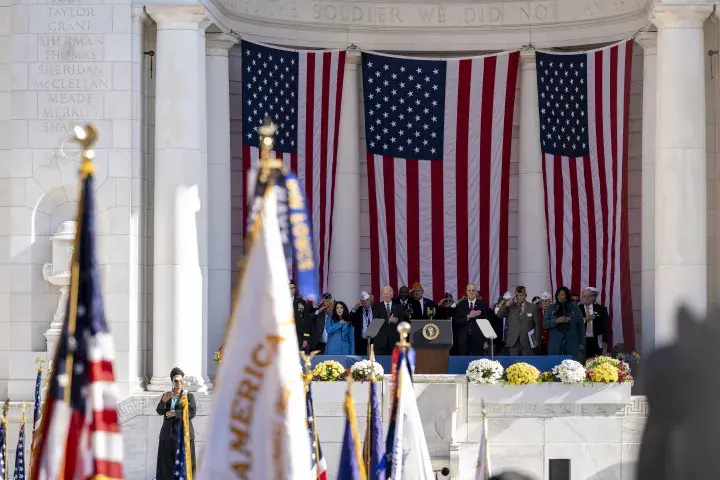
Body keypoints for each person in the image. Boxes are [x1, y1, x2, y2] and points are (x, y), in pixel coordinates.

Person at [156, 367, 196, 480]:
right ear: (172, 382)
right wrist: (163, 401)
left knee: (184, 467)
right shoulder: (167, 396)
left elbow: (192, 413)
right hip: (167, 436)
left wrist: (176, 413)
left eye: (180, 381)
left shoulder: (188, 396)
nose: (178, 383)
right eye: (176, 381)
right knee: (166, 467)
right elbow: (159, 411)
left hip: (183, 436)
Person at [543, 286, 585, 361]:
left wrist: (582, 343)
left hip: (572, 343)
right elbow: (545, 324)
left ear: (567, 296)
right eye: (558, 295)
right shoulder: (551, 308)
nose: (560, 297)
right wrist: (556, 321)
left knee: (572, 367)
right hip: (556, 344)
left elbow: (581, 326)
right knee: (555, 366)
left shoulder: (575, 308)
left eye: (562, 295)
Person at [495, 286, 540, 356]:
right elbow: (499, 315)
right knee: (514, 364)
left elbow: (537, 325)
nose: (519, 297)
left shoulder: (533, 307)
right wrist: (507, 304)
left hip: (527, 341)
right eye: (517, 296)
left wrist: (536, 339)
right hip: (513, 341)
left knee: (527, 364)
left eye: (521, 295)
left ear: (525, 295)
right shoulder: (510, 307)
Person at [453, 284, 492, 355]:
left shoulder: (482, 304)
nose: (471, 292)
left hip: (478, 339)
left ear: (476, 292)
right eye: (469, 290)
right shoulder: (461, 305)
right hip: (463, 340)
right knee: (463, 362)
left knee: (478, 362)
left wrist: (486, 341)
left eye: (473, 290)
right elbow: (457, 322)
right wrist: (468, 316)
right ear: (466, 292)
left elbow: (486, 323)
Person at [579, 286, 609, 358]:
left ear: (593, 298)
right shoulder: (577, 309)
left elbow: (605, 326)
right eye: (584, 296)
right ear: (582, 298)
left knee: (596, 363)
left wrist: (605, 341)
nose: (586, 298)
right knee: (581, 362)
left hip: (596, 340)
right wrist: (585, 319)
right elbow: (574, 325)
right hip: (582, 341)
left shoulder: (601, 309)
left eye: (589, 296)